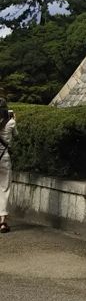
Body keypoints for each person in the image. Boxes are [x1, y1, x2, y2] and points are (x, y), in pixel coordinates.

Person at [0, 98, 17, 234]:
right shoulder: (11, 122)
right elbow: (16, 135)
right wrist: (14, 119)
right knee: (4, 189)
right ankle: (3, 222)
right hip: (4, 159)